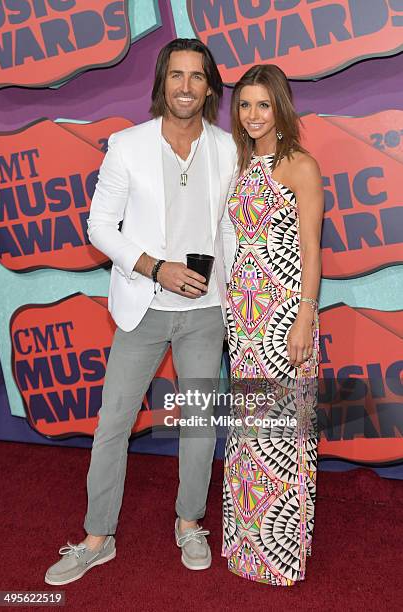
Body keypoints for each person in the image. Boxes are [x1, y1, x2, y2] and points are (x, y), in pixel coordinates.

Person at [45, 38, 236, 585]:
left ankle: (189, 522)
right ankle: (97, 537)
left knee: (197, 425)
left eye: (196, 76)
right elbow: (99, 227)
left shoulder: (226, 147)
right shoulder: (127, 145)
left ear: (209, 86)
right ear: (162, 82)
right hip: (143, 305)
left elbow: (233, 227)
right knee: (113, 425)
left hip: (206, 309)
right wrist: (155, 267)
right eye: (176, 75)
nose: (185, 86)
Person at [222, 64, 324, 585]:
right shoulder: (239, 164)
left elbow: (311, 250)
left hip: (285, 315)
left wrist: (305, 315)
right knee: (250, 431)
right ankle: (247, 547)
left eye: (263, 105)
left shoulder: (301, 166)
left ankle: (280, 555)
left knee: (281, 433)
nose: (253, 115)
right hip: (244, 318)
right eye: (244, 105)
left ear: (280, 108)